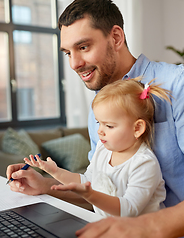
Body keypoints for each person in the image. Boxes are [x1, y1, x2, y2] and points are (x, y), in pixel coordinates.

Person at [6, 0, 184, 237]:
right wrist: (46, 185)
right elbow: (101, 186)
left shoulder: (180, 83)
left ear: (116, 38)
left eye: (84, 47)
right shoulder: (99, 109)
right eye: (68, 52)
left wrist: (145, 227)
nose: (75, 63)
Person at [24, 78, 170, 217]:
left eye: (109, 125)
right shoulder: (103, 149)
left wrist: (90, 195)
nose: (100, 131)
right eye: (98, 122)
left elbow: (128, 209)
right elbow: (86, 181)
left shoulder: (144, 163)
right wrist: (55, 171)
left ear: (137, 128)